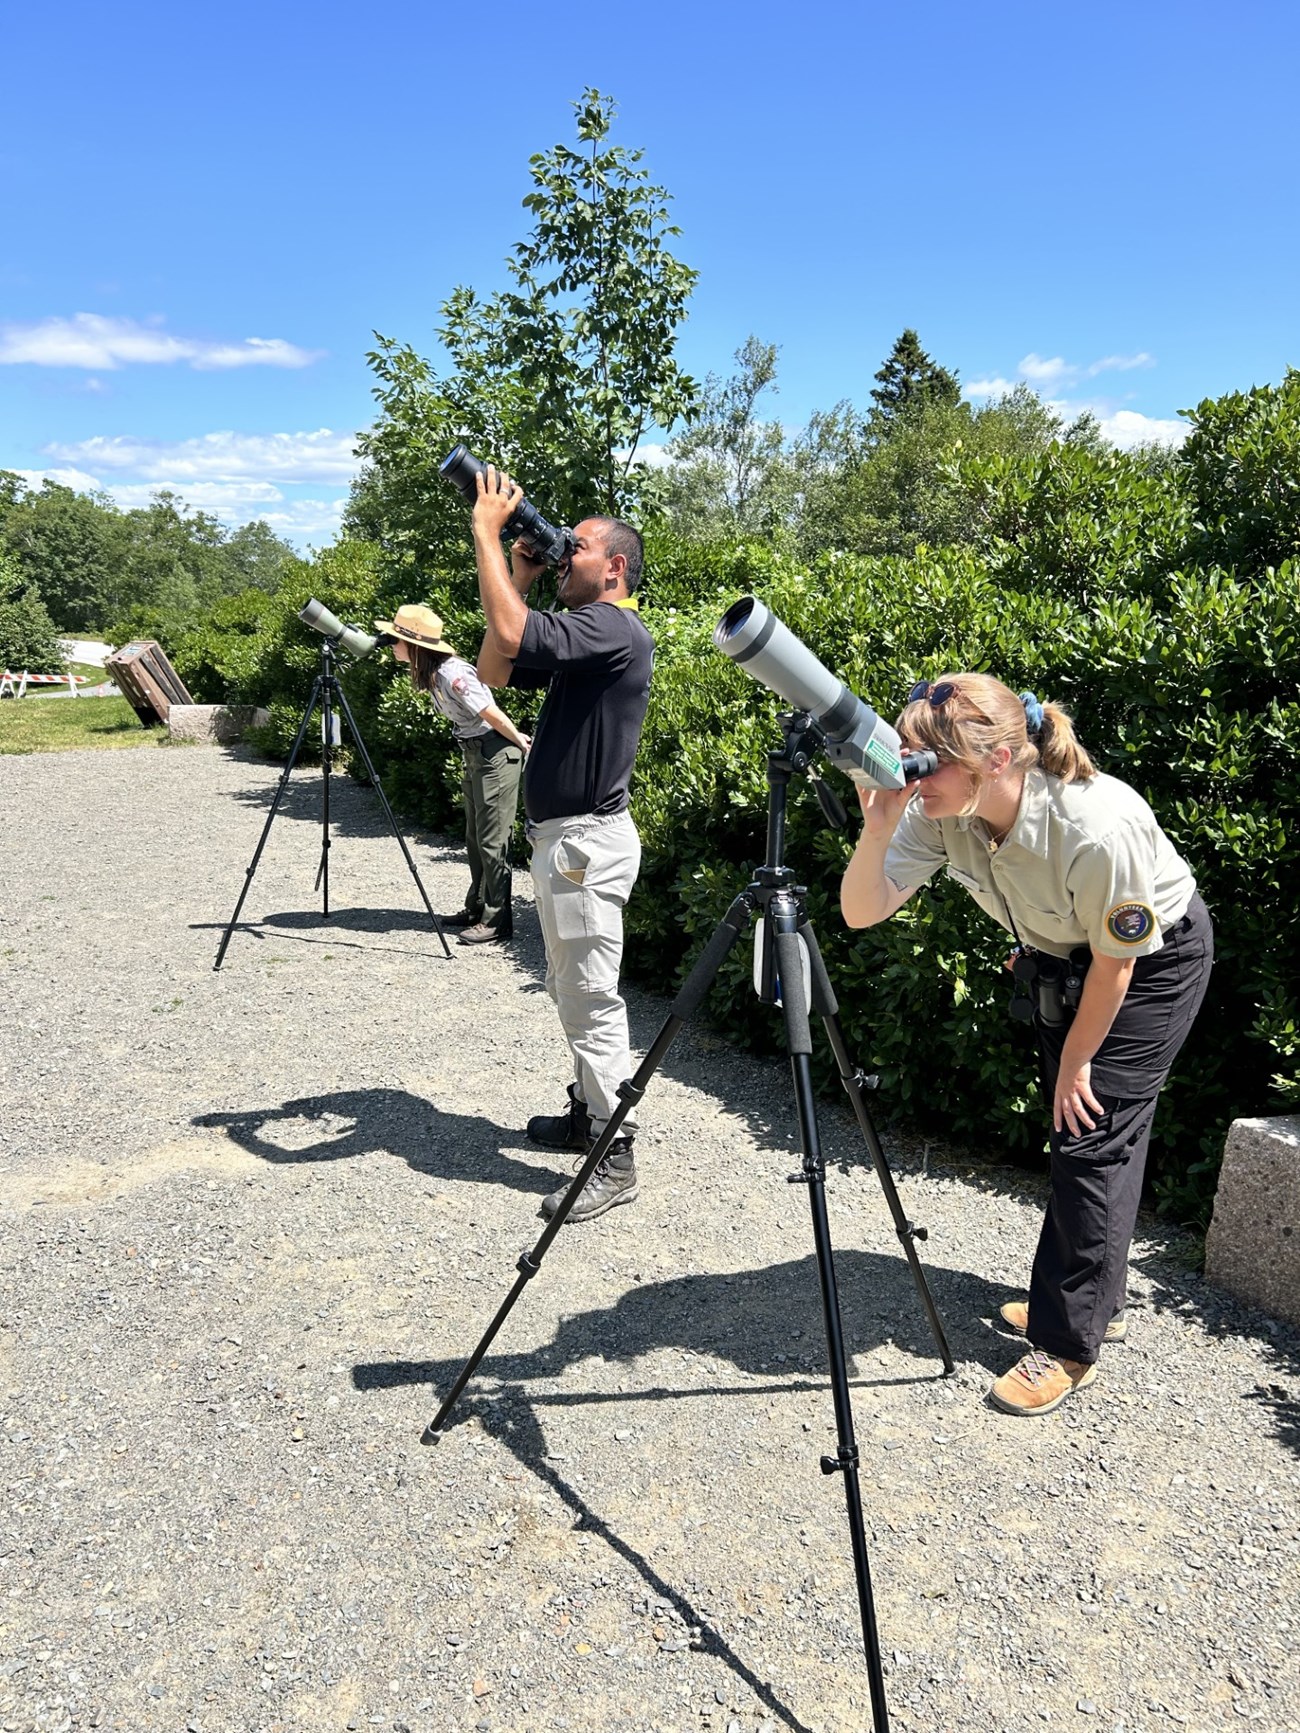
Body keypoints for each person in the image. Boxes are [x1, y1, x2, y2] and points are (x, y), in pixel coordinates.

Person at [841, 673, 1213, 1417]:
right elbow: (862, 911)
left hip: (1147, 965)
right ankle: (1092, 1292)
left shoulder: (1095, 825)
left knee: (1090, 1131)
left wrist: (1077, 1060)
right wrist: (878, 826)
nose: (912, 775)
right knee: (1088, 1135)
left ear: (1001, 760)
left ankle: (1070, 1343)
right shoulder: (945, 805)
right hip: (1063, 953)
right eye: (908, 756)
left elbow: (1119, 961)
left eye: (928, 761)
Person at [472, 466, 653, 1223]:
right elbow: (492, 668)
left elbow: (512, 632)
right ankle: (586, 1117)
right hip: (570, 843)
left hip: (582, 845)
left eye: (574, 545)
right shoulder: (588, 634)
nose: (560, 550)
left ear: (613, 567)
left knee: (587, 998)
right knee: (571, 987)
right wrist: (517, 570)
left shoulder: (612, 625)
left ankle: (616, 1155)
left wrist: (486, 531)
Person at [376, 603, 528, 946]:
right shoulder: (432, 675)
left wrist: (518, 738)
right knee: (475, 837)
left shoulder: (451, 673)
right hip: (476, 753)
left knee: (493, 840)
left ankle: (497, 919)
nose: (390, 643)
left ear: (415, 646)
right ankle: (476, 908)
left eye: (394, 638)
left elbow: (488, 711)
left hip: (494, 752)